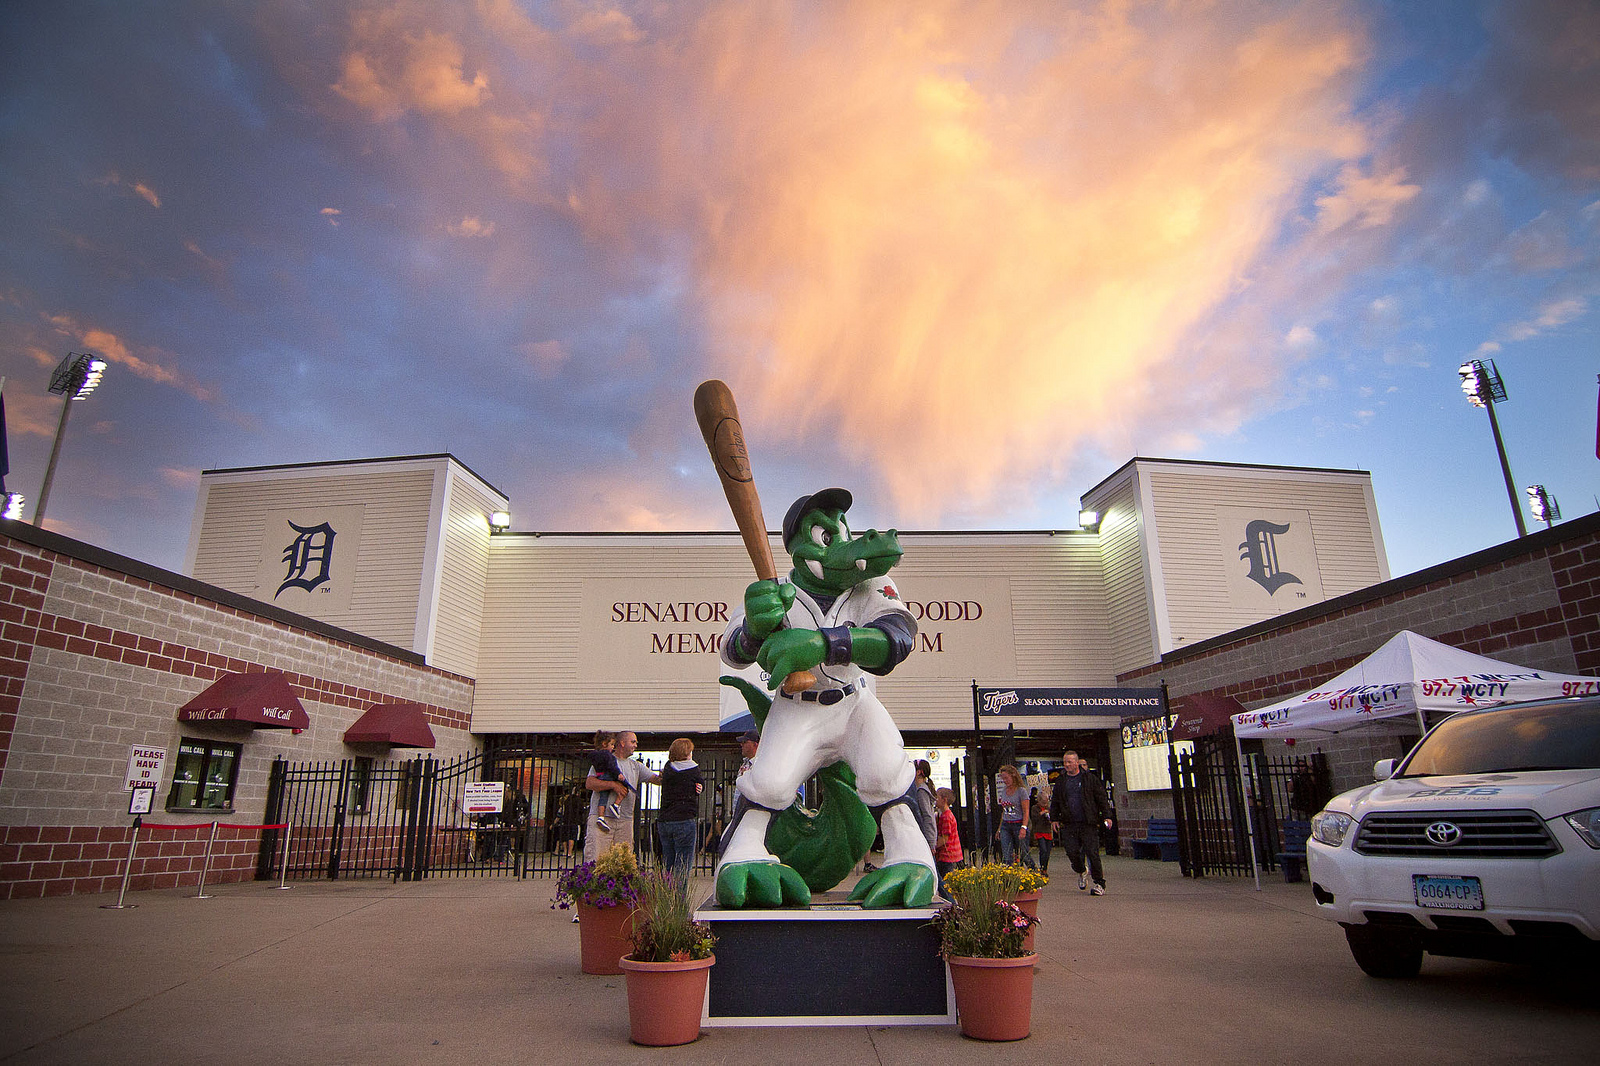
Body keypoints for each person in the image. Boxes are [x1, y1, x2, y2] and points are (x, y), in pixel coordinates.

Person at [583, 729, 660, 863]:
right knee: (596, 860)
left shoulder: (636, 766)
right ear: (622, 743)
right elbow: (590, 783)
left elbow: (656, 779)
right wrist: (613, 785)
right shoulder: (605, 759)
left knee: (623, 864)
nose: (636, 745)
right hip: (602, 818)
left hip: (625, 820)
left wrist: (672, 773)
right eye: (633, 741)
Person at [1050, 749, 1112, 895]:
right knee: (1072, 853)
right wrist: (1054, 819)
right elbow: (1056, 801)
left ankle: (1099, 883)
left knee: (1092, 852)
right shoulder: (1061, 781)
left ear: (1077, 763)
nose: (1066, 765)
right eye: (1065, 762)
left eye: (1070, 762)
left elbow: (1101, 798)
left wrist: (1107, 816)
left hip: (1088, 822)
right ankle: (1081, 870)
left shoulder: (1089, 779)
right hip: (1069, 823)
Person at [657, 737, 704, 882]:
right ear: (687, 753)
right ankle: (679, 899)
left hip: (665, 820)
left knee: (668, 863)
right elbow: (699, 784)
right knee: (683, 864)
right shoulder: (693, 768)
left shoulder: (668, 767)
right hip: (684, 819)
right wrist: (700, 787)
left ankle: (666, 896)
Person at [586, 730, 627, 829]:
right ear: (605, 744)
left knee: (603, 798)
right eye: (612, 744)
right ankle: (616, 805)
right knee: (625, 789)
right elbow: (612, 766)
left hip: (600, 776)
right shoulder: (608, 755)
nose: (613, 747)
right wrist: (618, 775)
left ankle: (601, 817)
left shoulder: (595, 755)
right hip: (609, 776)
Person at [994, 764, 1030, 866]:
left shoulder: (1021, 791)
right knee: (1007, 854)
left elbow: (1026, 811)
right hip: (1006, 824)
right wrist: (1000, 828)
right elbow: (1004, 811)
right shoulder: (1004, 791)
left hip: (1018, 823)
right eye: (1003, 778)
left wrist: (1024, 827)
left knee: (1023, 854)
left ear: (1013, 775)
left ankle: (1034, 872)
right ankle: (1010, 877)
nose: (1005, 781)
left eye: (1006, 778)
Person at [933, 787, 963, 897]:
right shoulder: (942, 815)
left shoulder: (946, 816)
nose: (935, 800)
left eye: (937, 797)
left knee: (944, 884)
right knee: (944, 882)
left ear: (944, 799)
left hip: (947, 855)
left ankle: (951, 903)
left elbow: (944, 839)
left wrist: (933, 847)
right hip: (948, 855)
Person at [912, 759, 937, 852]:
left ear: (918, 772)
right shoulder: (919, 789)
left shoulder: (922, 791)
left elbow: (927, 816)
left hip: (925, 839)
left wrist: (931, 842)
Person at [1029, 785, 1053, 874]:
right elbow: (1034, 819)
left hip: (1048, 831)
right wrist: (1041, 813)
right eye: (1043, 803)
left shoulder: (1048, 808)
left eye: (1046, 803)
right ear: (1038, 801)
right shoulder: (1034, 808)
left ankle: (1045, 867)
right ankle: (1042, 868)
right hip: (1039, 831)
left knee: (1047, 852)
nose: (1045, 805)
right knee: (1043, 850)